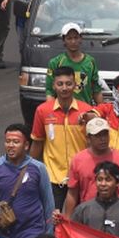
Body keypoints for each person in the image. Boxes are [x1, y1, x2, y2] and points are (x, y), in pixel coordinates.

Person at [30, 67, 93, 207]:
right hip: (53, 178)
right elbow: (37, 143)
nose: (64, 88)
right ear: (53, 85)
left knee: (79, 222)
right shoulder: (42, 110)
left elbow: (92, 146)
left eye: (68, 84)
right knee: (52, 220)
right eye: (60, 84)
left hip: (81, 177)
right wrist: (30, 171)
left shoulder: (87, 111)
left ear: (75, 85)